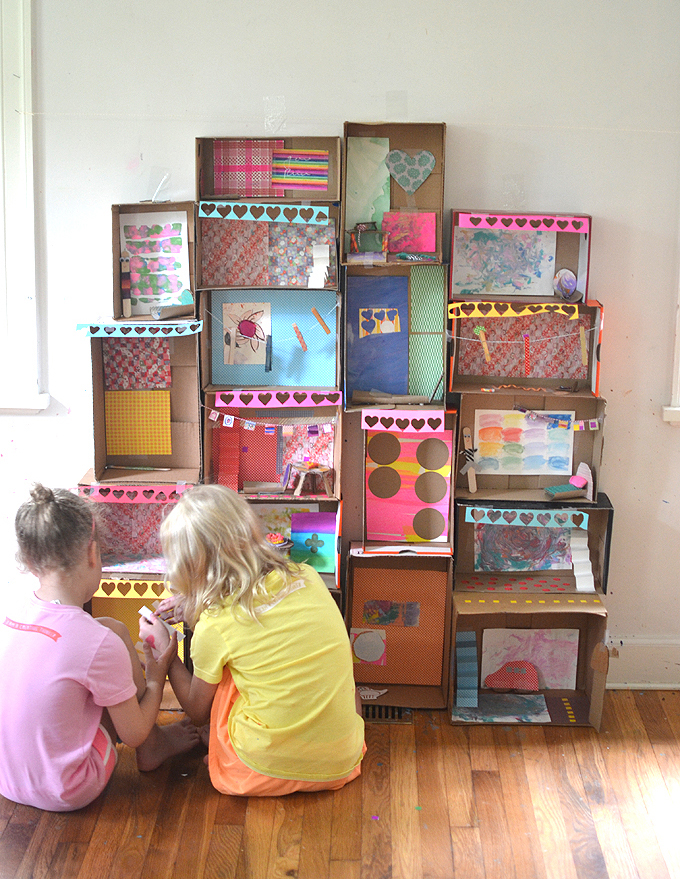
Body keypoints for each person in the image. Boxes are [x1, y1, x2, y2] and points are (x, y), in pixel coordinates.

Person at [145, 484, 365, 797]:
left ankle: (227, 749)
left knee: (225, 678)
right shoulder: (307, 575)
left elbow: (195, 710)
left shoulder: (215, 626)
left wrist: (168, 655)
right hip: (343, 760)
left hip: (261, 770)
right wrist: (192, 602)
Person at [0, 484, 200, 812]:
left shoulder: (10, 613)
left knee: (115, 630)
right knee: (110, 666)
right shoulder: (97, 644)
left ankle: (153, 741)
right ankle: (155, 747)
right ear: (93, 554)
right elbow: (132, 734)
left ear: (30, 561)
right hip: (67, 789)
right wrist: (156, 674)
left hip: (7, 780)